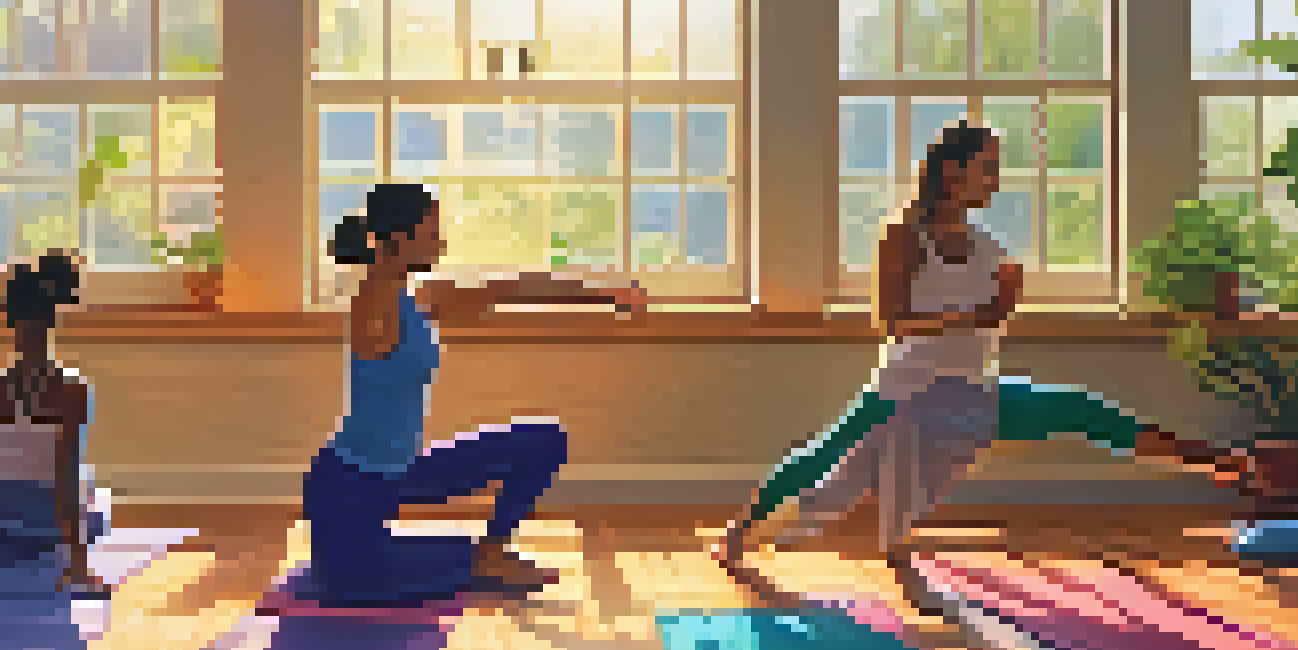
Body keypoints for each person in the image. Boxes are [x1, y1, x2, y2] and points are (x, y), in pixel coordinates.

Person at [716, 123, 1242, 565]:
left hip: (970, 392)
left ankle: (1226, 461)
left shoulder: (986, 244)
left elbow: (987, 320)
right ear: (952, 171)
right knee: (824, 459)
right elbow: (892, 320)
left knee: (1085, 412)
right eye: (986, 167)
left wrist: (1003, 304)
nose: (995, 179)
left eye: (996, 168)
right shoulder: (905, 234)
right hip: (907, 392)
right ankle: (739, 534)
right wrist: (977, 314)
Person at [303, 183, 647, 606]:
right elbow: (383, 294)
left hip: (405, 472)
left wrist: (605, 294)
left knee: (544, 439)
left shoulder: (415, 297)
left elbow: (510, 289)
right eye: (431, 232)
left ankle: (491, 550)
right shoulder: (375, 304)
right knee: (357, 586)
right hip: (352, 484)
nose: (442, 242)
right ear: (399, 239)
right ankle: (470, 560)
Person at [0, 250, 109, 597]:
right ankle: (70, 558)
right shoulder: (72, 389)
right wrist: (78, 569)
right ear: (52, 324)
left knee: (59, 480)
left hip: (4, 528)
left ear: (12, 325)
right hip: (49, 531)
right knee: (96, 491)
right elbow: (67, 476)